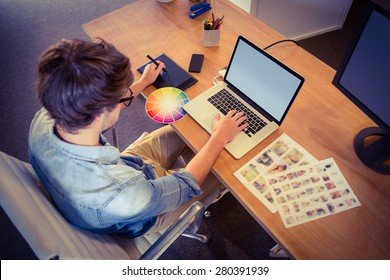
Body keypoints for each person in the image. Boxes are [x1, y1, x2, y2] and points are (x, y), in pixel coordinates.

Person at [29, 38, 248, 238]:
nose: (126, 94)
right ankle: (218, 184)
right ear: (99, 113)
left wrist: (142, 83)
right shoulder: (124, 193)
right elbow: (184, 184)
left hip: (127, 169)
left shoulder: (45, 118)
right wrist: (218, 139)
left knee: (187, 129)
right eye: (121, 95)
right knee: (227, 166)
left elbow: (97, 106)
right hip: (146, 208)